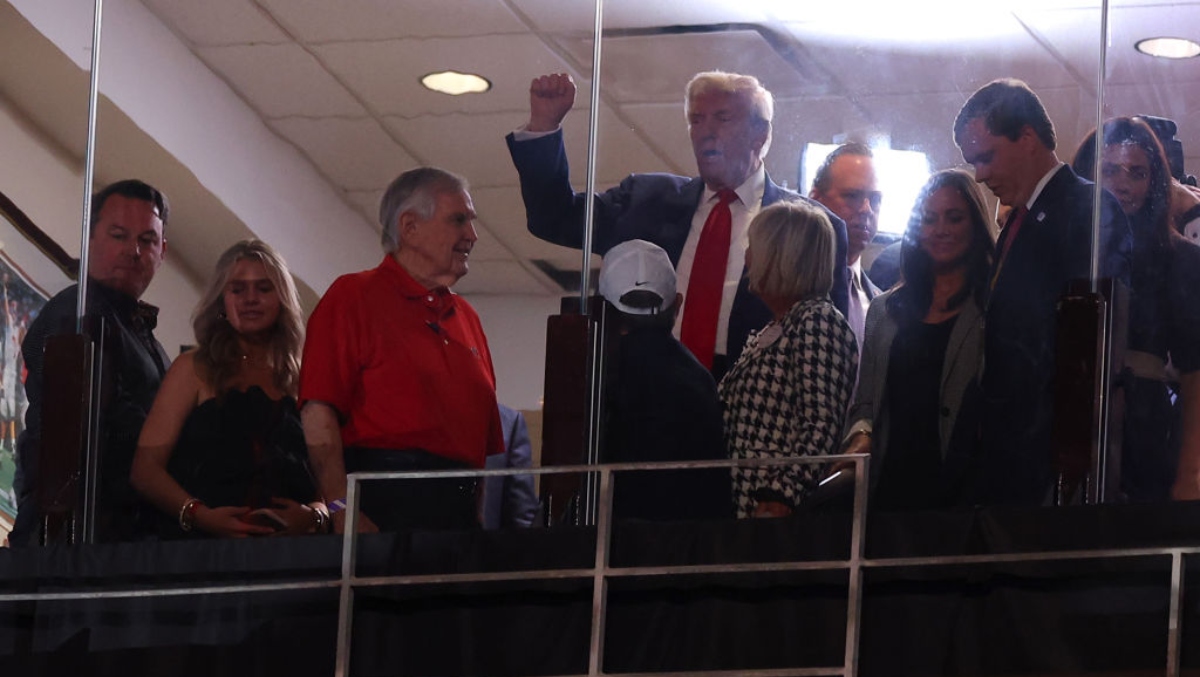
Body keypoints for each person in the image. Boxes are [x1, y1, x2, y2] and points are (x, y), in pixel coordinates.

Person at [506, 71, 850, 380]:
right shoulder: (646, 199)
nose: (706, 132)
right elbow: (554, 218)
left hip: (754, 419)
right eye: (696, 120)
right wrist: (544, 127)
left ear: (760, 135)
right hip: (652, 403)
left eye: (722, 118)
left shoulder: (810, 228)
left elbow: (823, 353)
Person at [954, 78, 1131, 505]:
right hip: (1012, 464)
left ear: (1028, 137)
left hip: (1051, 468)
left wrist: (1066, 475)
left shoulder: (1086, 209)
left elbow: (1087, 353)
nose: (979, 175)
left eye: (986, 157)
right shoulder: (1021, 220)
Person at [300, 167, 503, 533]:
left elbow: (480, 449)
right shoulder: (352, 298)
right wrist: (342, 511)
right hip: (379, 512)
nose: (472, 235)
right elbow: (318, 417)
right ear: (410, 227)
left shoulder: (469, 319)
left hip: (457, 524)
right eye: (459, 220)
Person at [10, 179, 171, 545]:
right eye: (118, 234)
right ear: (90, 237)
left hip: (126, 541)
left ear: (163, 250)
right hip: (74, 543)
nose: (133, 250)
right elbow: (89, 431)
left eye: (147, 240)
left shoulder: (147, 341)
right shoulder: (77, 312)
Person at [130, 240, 321, 538]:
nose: (250, 299)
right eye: (238, 289)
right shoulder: (192, 368)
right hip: (203, 551)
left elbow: (344, 497)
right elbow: (144, 472)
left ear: (282, 299)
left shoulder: (308, 377)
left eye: (264, 288)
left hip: (292, 555)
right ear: (221, 300)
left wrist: (317, 516)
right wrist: (198, 515)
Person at [842, 169, 995, 510]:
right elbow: (865, 403)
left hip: (962, 493)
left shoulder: (993, 309)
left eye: (953, 218)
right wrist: (861, 435)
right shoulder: (885, 309)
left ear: (974, 224)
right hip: (889, 488)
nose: (940, 230)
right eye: (929, 219)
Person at [1071, 117, 1200, 501]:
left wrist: (1190, 474)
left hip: (1146, 436)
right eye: (1109, 170)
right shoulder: (1067, 250)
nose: (1123, 183)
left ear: (1154, 183)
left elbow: (1196, 375)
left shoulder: (1181, 259)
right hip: (1064, 427)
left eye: (1137, 172)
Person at [720, 202, 857, 518]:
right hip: (746, 501)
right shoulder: (781, 324)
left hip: (771, 511)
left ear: (781, 256)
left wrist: (782, 494)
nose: (747, 258)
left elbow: (821, 424)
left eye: (754, 247)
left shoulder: (817, 321)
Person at [597, 239, 731, 521]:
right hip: (688, 551)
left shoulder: (593, 379)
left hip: (607, 553)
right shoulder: (702, 382)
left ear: (603, 312)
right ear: (678, 305)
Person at [810, 142, 883, 347]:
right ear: (816, 199)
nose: (867, 209)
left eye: (875, 199)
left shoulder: (880, 305)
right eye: (852, 196)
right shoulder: (783, 288)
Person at [482, 404, 539, 530]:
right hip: (485, 545)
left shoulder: (509, 423)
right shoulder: (508, 422)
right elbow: (522, 515)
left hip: (484, 546)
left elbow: (522, 513)